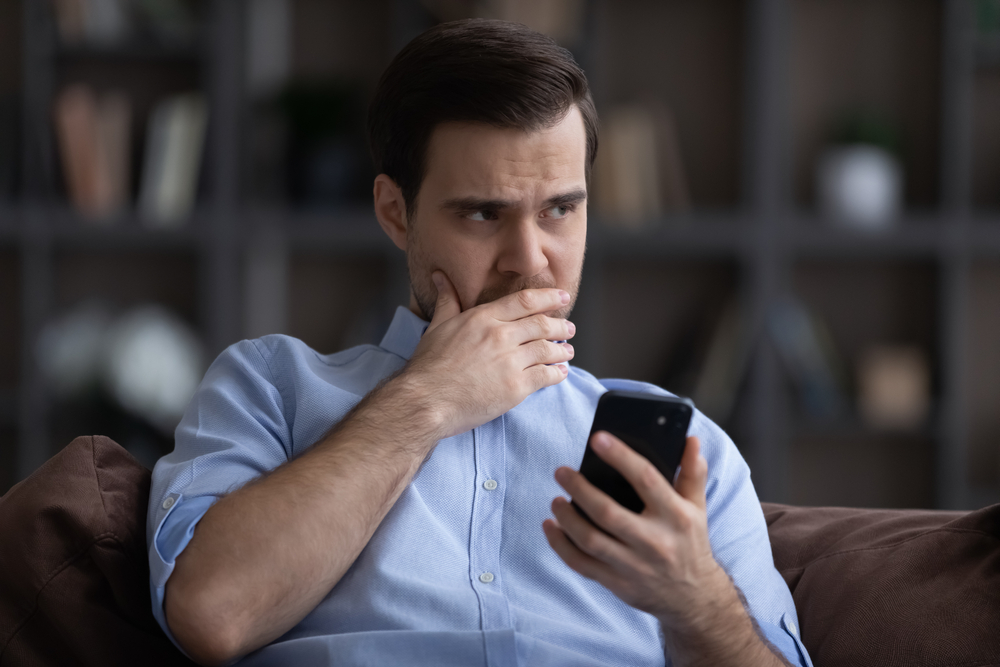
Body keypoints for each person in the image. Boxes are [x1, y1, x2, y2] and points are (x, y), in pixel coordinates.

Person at [147, 19, 812, 667]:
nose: (530, 261)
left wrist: (694, 599)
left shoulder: (687, 451)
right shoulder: (270, 386)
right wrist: (428, 399)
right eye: (483, 213)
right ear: (394, 212)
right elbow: (212, 613)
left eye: (560, 208)